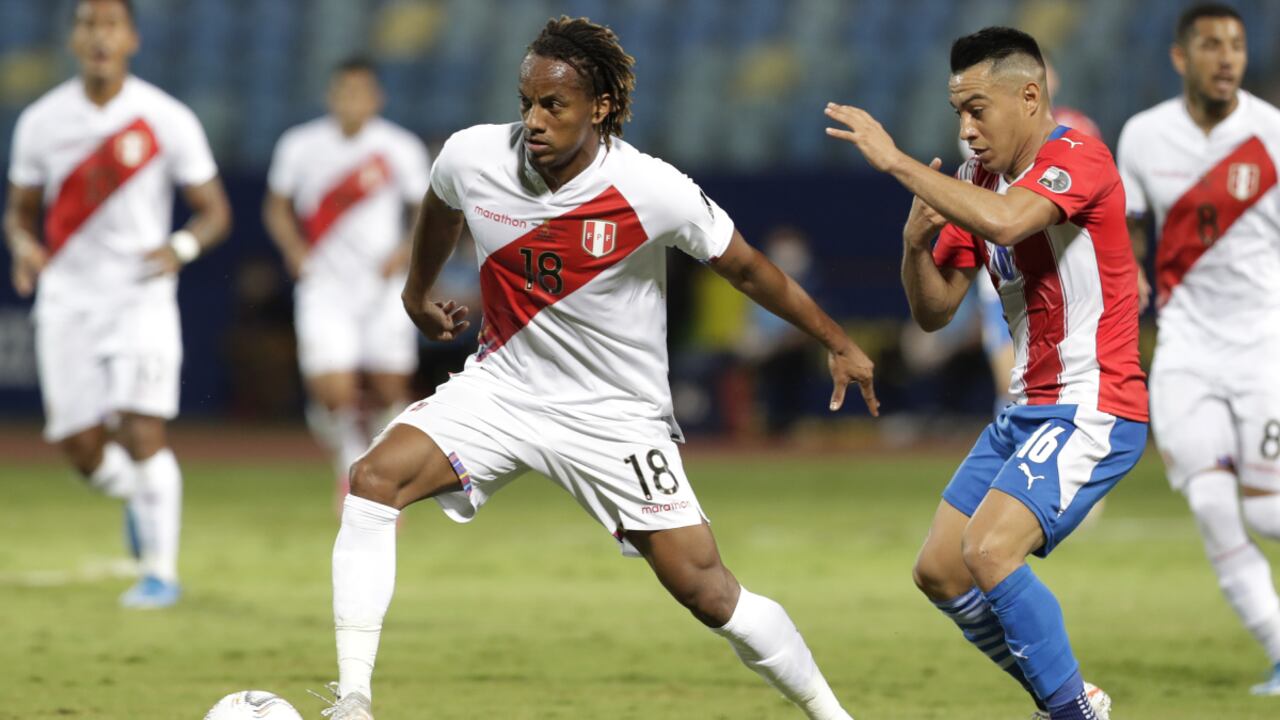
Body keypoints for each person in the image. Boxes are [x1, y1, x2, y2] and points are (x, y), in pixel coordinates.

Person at [318, 16, 877, 720]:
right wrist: (414, 292)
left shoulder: (651, 188)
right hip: (503, 390)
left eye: (554, 105)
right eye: (527, 102)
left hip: (614, 415)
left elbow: (749, 269)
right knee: (373, 481)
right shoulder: (473, 156)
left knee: (708, 591)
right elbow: (439, 205)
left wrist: (836, 339)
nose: (534, 119)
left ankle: (833, 714)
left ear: (600, 107)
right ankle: (354, 700)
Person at [826, 26, 1148, 720]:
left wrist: (895, 161)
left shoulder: (1078, 158)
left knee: (990, 550)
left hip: (1095, 403)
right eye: (957, 113)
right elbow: (935, 311)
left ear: (1029, 98)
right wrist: (914, 246)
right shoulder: (974, 180)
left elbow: (1008, 223)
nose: (966, 128)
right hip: (1026, 408)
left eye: (978, 109)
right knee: (940, 571)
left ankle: (1072, 712)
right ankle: (1063, 697)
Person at [2, 0, 230, 608]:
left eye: (110, 24)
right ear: (74, 38)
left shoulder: (165, 117)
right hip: (68, 301)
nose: (99, 35)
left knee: (140, 428)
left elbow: (214, 213)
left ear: (131, 37)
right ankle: (137, 498)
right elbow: (20, 215)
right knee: (81, 451)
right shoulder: (41, 122)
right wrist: (25, 247)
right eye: (87, 24)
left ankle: (160, 572)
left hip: (140, 298)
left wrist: (179, 246)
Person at [1117, 3, 1280, 696]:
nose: (1227, 58)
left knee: (1267, 512)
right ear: (1182, 57)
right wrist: (1133, 281)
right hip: (1184, 347)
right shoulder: (1144, 136)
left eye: (1237, 46)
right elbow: (1125, 227)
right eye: (1211, 45)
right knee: (1213, 506)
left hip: (1265, 347)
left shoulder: (1271, 133)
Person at [264, 57, 431, 504]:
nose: (352, 100)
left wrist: (404, 251)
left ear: (377, 97)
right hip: (325, 284)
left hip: (382, 287)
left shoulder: (400, 148)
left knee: (388, 386)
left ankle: (380, 468)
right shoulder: (300, 145)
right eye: (344, 91)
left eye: (361, 91)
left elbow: (426, 212)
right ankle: (351, 468)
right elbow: (276, 206)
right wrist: (294, 250)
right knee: (333, 391)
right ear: (331, 95)